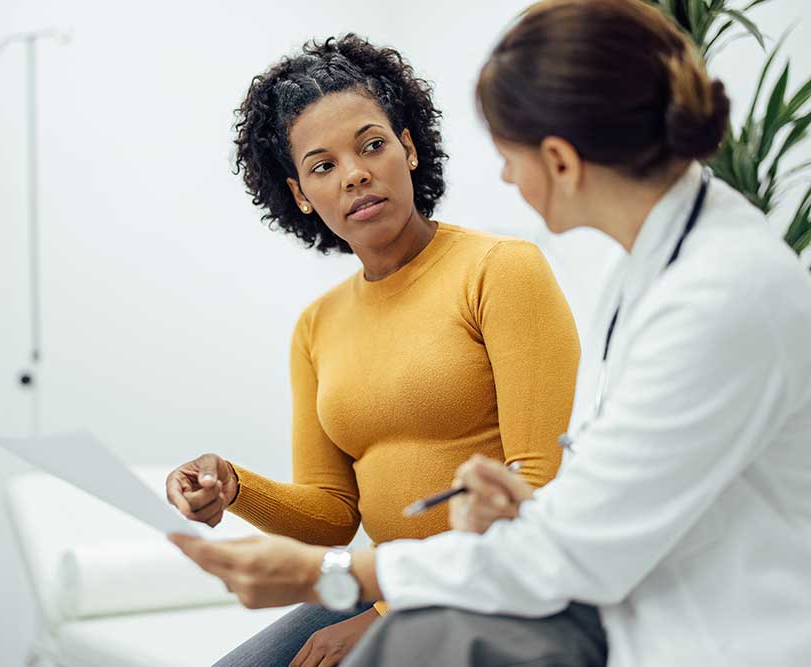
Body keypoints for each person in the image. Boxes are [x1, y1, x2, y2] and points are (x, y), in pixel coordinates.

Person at [169, 2, 811, 666]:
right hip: (542, 579)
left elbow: (574, 541)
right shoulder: (651, 265)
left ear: (559, 161)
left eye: (508, 155)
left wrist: (347, 581)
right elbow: (588, 486)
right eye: (322, 165)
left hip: (701, 627)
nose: (504, 177)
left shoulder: (716, 294)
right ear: (299, 189)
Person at [163, 34, 586, 667]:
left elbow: (534, 484)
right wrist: (233, 485)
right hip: (385, 583)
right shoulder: (317, 325)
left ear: (408, 148)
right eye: (322, 165)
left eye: (371, 144)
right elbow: (333, 515)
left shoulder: (502, 270)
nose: (355, 172)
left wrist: (388, 618)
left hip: (493, 589)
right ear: (301, 193)